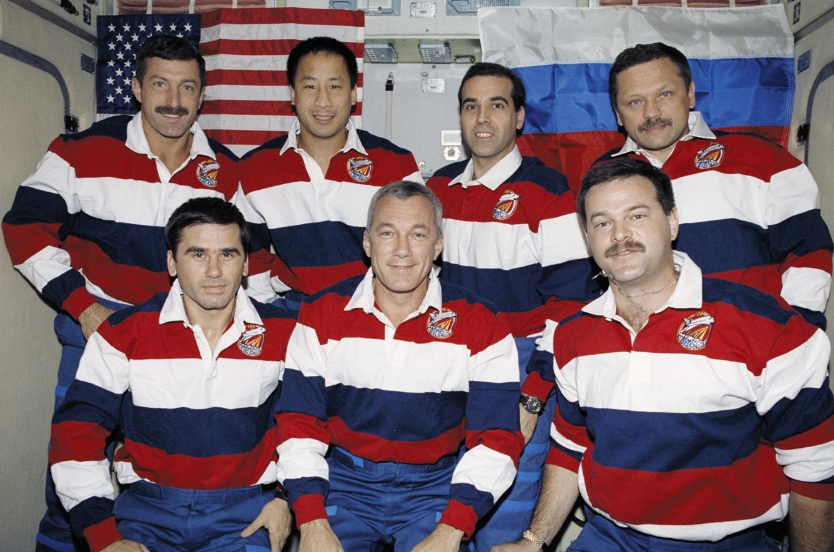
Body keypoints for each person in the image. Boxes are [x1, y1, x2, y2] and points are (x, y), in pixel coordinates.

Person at [494, 158, 834, 552]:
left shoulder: (767, 327)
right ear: (587, 238)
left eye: (636, 215)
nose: (620, 234)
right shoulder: (573, 336)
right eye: (602, 223)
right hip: (607, 539)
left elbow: (816, 470)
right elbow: (571, 449)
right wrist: (533, 541)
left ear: (672, 222)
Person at [1, 35, 245, 552]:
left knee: (166, 480)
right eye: (159, 84)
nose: (173, 101)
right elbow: (24, 229)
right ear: (136, 88)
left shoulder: (225, 169)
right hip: (98, 331)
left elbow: (247, 259)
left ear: (202, 96)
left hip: (181, 344)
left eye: (187, 87)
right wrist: (84, 308)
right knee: (72, 472)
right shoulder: (80, 150)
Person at [275, 181, 524, 552]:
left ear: (438, 245)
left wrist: (451, 529)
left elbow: (497, 439)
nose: (402, 250)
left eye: (418, 234)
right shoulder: (321, 314)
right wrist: (311, 521)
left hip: (434, 489)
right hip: (344, 484)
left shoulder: (481, 322)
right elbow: (299, 425)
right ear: (367, 242)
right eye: (388, 233)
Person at [49, 197, 296, 552]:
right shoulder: (122, 333)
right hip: (147, 514)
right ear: (171, 262)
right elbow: (76, 433)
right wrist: (104, 538)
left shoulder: (285, 333)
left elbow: (307, 425)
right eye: (198, 254)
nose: (214, 271)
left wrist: (286, 499)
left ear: (245, 265)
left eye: (227, 254)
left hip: (245, 515)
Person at [426, 62, 597, 550]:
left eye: (496, 105)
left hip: (521, 366)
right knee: (444, 504)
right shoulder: (437, 189)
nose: (482, 118)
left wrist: (532, 395)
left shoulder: (550, 191)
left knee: (507, 506)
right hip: (445, 359)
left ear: (519, 117)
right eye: (471, 106)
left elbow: (570, 306)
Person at [595, 42, 832, 329]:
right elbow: (585, 279)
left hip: (750, 346)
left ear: (690, 94)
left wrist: (797, 332)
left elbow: (808, 253)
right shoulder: (598, 179)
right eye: (635, 102)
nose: (651, 112)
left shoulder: (762, 159)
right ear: (618, 114)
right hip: (640, 349)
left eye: (664, 95)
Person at [237, 36, 422, 305]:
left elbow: (422, 246)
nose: (323, 101)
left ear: (353, 94)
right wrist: (268, 310)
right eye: (310, 86)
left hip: (377, 310)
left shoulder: (396, 164)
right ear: (293, 93)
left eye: (334, 86)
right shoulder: (255, 169)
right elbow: (250, 253)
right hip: (295, 311)